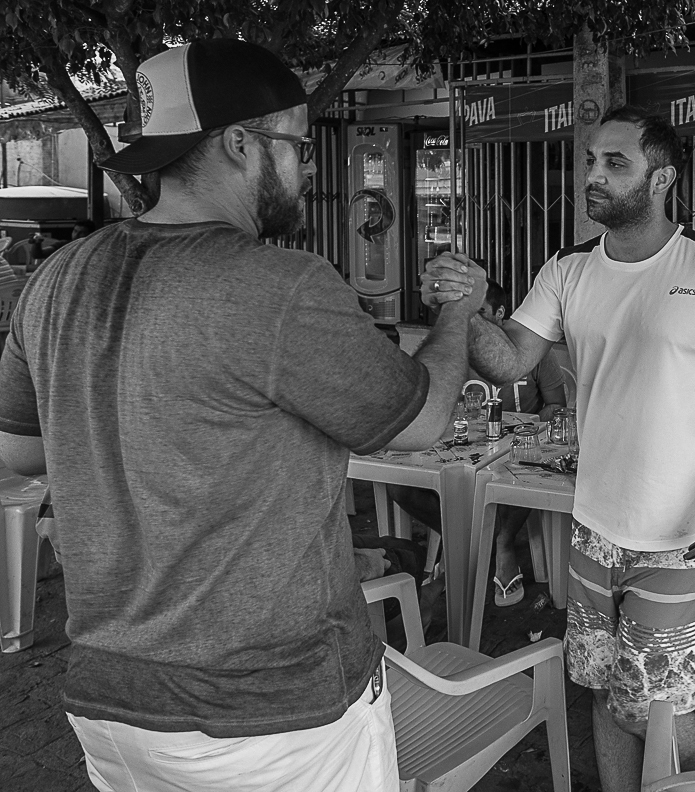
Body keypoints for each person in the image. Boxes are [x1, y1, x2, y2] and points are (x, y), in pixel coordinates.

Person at [0, 39, 486, 792]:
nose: (309, 167)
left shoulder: (56, 279)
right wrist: (457, 315)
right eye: (296, 145)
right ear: (238, 144)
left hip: (110, 712)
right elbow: (421, 422)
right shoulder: (277, 285)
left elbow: (21, 454)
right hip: (267, 720)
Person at [421, 105, 695, 792]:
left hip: (686, 538)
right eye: (590, 159)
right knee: (600, 687)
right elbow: (509, 361)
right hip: (594, 531)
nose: (592, 174)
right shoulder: (567, 271)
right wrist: (468, 307)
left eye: (614, 163)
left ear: (662, 180)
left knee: (654, 707)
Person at [389, 278, 569, 607]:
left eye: (478, 312)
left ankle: (500, 543)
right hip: (462, 449)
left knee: (523, 469)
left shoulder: (530, 352)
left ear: (500, 313)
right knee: (400, 487)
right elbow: (428, 405)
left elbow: (556, 402)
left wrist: (531, 431)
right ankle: (472, 540)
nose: (468, 321)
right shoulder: (451, 351)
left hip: (515, 450)